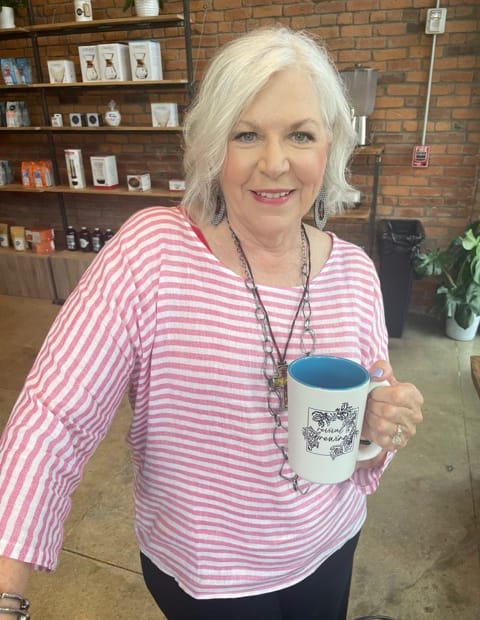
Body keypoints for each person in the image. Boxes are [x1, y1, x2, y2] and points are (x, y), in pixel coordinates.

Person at [0, 27, 423, 620]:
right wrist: (7, 590)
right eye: (246, 134)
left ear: (329, 148)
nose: (274, 163)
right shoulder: (152, 254)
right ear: (211, 146)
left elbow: (358, 439)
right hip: (209, 578)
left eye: (300, 134)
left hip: (330, 545)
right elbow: (54, 420)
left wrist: (378, 428)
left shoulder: (354, 273)